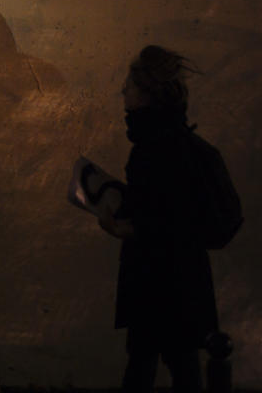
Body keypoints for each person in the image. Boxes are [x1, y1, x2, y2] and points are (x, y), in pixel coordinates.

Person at [99, 45, 218, 392]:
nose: (123, 91)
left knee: (148, 365)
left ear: (148, 94)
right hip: (183, 279)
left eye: (130, 86)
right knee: (181, 364)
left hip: (157, 279)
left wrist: (123, 227)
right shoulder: (172, 141)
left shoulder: (153, 150)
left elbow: (165, 220)